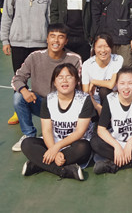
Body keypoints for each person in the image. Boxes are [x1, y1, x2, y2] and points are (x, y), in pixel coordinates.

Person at [11, 23, 82, 152]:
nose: (56, 40)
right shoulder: (35, 56)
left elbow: (80, 87)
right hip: (41, 103)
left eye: (61, 37)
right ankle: (29, 135)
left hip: (64, 105)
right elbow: (17, 78)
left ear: (66, 41)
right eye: (52, 36)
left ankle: (62, 131)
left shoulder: (74, 59)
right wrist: (24, 90)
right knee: (18, 97)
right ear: (47, 39)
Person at [1, 0, 52, 126]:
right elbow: (7, 16)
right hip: (18, 42)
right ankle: (18, 111)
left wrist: (51, 39)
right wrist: (5, 40)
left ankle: (45, 112)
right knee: (19, 79)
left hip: (40, 43)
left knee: (42, 81)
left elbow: (51, 16)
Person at [20, 63, 93, 181]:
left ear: (76, 81)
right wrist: (53, 149)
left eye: (69, 77)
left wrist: (55, 149)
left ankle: (39, 164)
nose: (64, 80)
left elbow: (79, 132)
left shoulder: (85, 100)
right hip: (52, 142)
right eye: (60, 77)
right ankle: (63, 171)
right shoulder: (48, 100)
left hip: (73, 145)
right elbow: (46, 130)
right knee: (26, 143)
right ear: (54, 82)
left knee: (83, 147)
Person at [90, 68, 132, 174]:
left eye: (130, 83)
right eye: (122, 83)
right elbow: (101, 129)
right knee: (95, 142)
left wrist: (130, 142)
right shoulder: (110, 99)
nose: (126, 87)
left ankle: (113, 165)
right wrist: (116, 146)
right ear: (116, 84)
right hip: (116, 142)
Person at [81, 33, 124, 116]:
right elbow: (86, 92)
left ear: (111, 47)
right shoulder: (87, 64)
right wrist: (98, 107)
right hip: (94, 103)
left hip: (112, 100)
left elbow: (111, 85)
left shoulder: (118, 59)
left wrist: (94, 82)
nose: (103, 50)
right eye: (99, 47)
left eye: (106, 46)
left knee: (104, 90)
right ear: (94, 48)